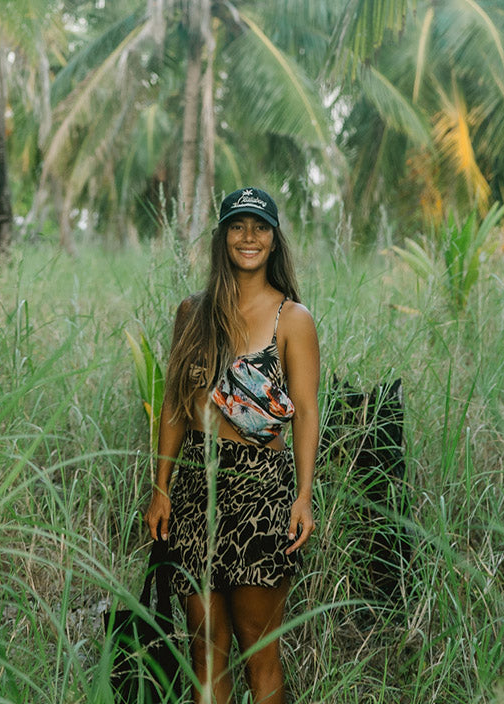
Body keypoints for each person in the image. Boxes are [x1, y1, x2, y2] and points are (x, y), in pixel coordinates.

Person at [144, 187, 320, 704]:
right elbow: (177, 406)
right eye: (238, 226)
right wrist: (161, 489)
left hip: (261, 490)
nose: (249, 237)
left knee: (259, 652)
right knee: (204, 652)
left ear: (274, 239)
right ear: (223, 237)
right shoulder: (192, 313)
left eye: (260, 227)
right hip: (197, 487)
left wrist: (303, 495)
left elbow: (307, 411)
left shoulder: (293, 319)